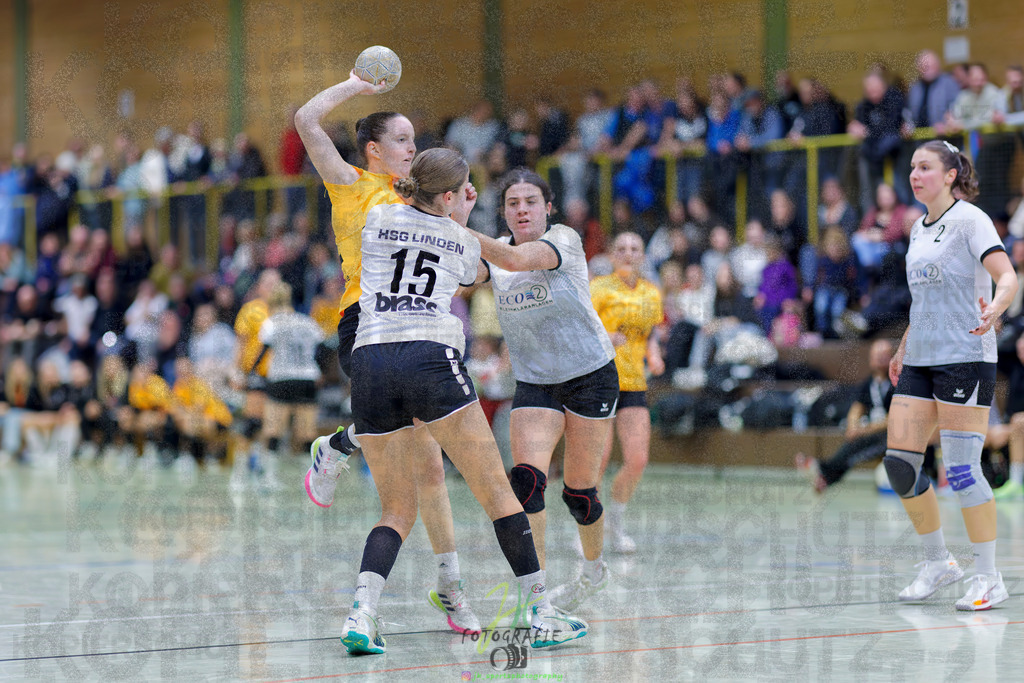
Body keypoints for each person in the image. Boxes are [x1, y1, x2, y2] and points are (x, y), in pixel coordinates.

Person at [339, 148, 587, 654]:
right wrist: (462, 219)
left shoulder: (378, 214)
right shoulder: (458, 236)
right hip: (430, 357)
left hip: (369, 361)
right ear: (451, 196)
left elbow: (412, 224)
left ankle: (362, 615)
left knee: (395, 509)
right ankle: (539, 612)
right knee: (498, 493)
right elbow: (472, 275)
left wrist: (446, 207)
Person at [293, 71, 480, 634]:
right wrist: (355, 84)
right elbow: (305, 120)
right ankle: (448, 589)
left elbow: (449, 273)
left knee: (429, 468)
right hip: (365, 326)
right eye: (402, 139)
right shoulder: (350, 182)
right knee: (418, 464)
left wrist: (460, 218)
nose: (412, 148)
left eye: (415, 140)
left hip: (418, 330)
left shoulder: (419, 200)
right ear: (374, 150)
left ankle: (340, 443)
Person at [464, 169, 618, 612]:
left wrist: (460, 228)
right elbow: (461, 277)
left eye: (531, 201)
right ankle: (536, 599)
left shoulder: (564, 239)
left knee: (580, 494)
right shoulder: (494, 251)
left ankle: (593, 571)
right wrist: (444, 218)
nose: (522, 210)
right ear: (504, 212)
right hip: (536, 382)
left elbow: (515, 261)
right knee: (527, 483)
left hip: (591, 374)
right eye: (513, 203)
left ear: (547, 207)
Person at [885, 140, 1018, 611]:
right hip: (921, 356)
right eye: (913, 168)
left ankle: (989, 577)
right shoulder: (919, 230)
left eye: (925, 167)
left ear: (949, 175)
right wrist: (904, 345)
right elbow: (925, 302)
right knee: (900, 464)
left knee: (962, 470)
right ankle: (938, 562)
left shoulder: (970, 219)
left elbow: (1007, 276)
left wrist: (997, 308)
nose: (915, 175)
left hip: (965, 353)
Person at [591, 232, 665, 552]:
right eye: (621, 248)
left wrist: (655, 353)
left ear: (643, 254)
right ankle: (588, 528)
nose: (628, 253)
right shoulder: (598, 288)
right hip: (601, 380)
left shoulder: (652, 293)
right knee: (599, 459)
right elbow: (581, 328)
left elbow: (650, 335)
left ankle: (616, 523)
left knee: (637, 459)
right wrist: (605, 335)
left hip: (634, 381)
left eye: (635, 248)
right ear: (611, 254)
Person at [795, 339, 894, 492]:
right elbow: (857, 407)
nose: (880, 359)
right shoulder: (869, 382)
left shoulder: (897, 382)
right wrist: (853, 426)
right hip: (871, 429)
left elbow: (894, 418)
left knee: (858, 446)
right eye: (876, 355)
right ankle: (825, 477)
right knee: (854, 443)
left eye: (884, 355)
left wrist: (864, 430)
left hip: (892, 433)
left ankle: (823, 473)